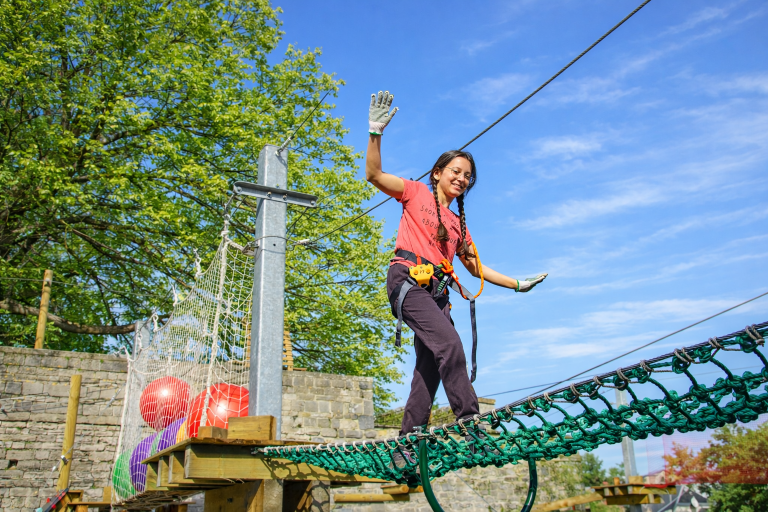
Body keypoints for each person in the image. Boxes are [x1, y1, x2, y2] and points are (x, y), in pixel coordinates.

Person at [365, 90, 548, 438]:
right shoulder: (414, 192)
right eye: (456, 171)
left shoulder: (458, 225)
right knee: (450, 347)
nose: (462, 179)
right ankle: (470, 422)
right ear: (437, 173)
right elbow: (374, 174)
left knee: (430, 368)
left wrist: (517, 284)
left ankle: (408, 445)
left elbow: (476, 269)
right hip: (408, 281)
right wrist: (376, 132)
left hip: (438, 293)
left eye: (467, 176)